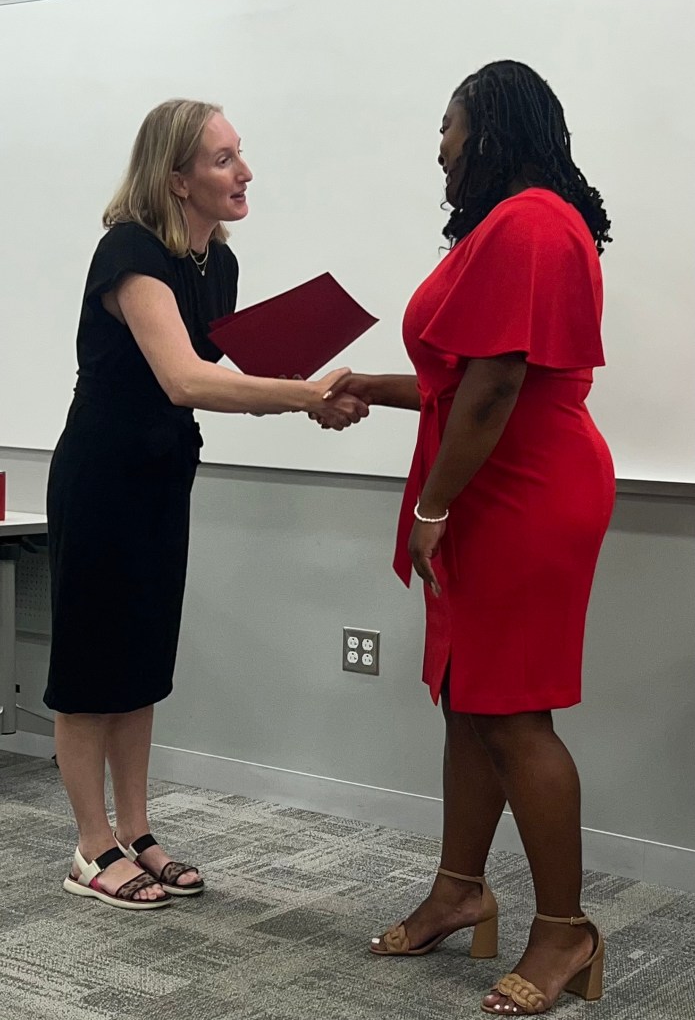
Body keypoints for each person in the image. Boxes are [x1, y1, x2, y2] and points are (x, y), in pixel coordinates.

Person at [314, 61, 614, 1014]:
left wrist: (431, 507)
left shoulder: (528, 221)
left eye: (446, 127)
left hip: (521, 491)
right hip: (491, 481)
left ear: (487, 129)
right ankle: (458, 890)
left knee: (513, 711)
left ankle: (565, 932)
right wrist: (372, 385)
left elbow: (497, 387)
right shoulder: (512, 224)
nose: (438, 148)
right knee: (466, 698)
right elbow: (464, 378)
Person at [44, 99, 366, 910]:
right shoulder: (130, 252)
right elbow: (184, 378)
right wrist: (305, 394)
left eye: (239, 154)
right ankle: (90, 847)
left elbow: (222, 380)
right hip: (102, 477)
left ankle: (136, 831)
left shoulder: (214, 261)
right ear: (176, 177)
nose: (244, 172)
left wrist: (298, 389)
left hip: (162, 475)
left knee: (141, 661)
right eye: (223, 159)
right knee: (90, 666)